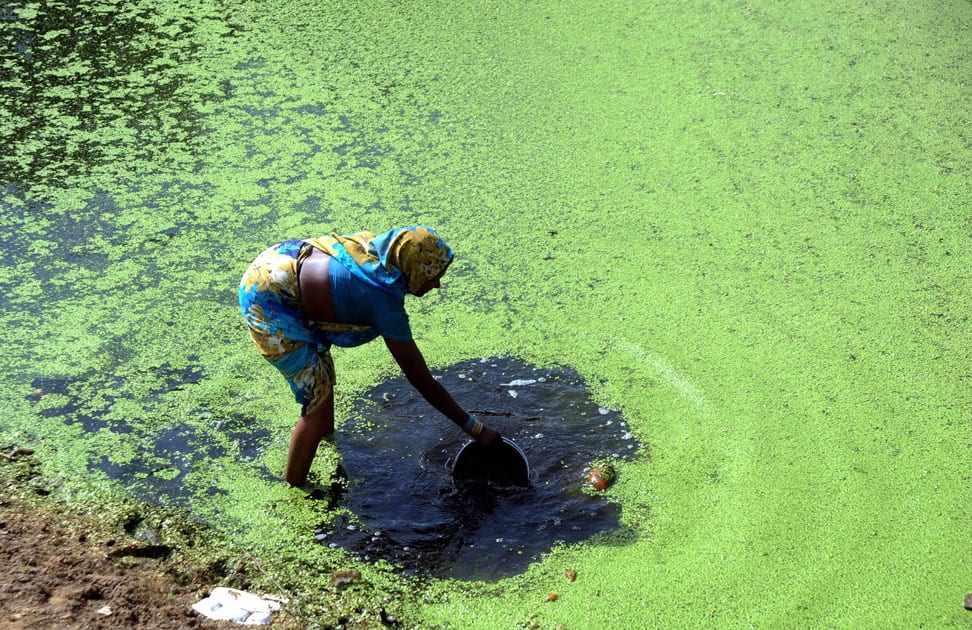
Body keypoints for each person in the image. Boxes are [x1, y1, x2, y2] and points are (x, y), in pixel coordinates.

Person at [239, 226, 502, 487]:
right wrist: (475, 429)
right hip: (268, 299)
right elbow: (420, 378)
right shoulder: (382, 300)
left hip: (280, 262)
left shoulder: (383, 253)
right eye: (432, 275)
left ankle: (327, 441)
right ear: (414, 268)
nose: (437, 283)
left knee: (324, 380)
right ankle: (294, 487)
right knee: (315, 406)